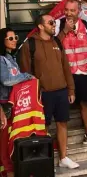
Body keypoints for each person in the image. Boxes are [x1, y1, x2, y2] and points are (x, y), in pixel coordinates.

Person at [19, 15, 79, 169]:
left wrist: (71, 89)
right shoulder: (30, 44)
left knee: (62, 122)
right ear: (40, 26)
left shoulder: (57, 41)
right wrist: (34, 95)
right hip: (42, 94)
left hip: (61, 91)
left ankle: (63, 157)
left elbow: (66, 67)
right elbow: (25, 72)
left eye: (55, 22)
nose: (54, 25)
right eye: (51, 23)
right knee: (42, 126)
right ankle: (43, 159)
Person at [56, 0, 87, 145]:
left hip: (84, 71)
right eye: (66, 10)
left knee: (85, 103)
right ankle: (61, 140)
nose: (68, 13)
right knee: (62, 105)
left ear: (79, 11)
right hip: (66, 72)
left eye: (72, 10)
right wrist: (65, 30)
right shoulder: (58, 24)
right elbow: (54, 45)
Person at [0, 28, 34, 177]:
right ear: (3, 41)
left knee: (11, 142)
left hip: (15, 106)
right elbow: (7, 80)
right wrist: (27, 76)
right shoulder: (1, 59)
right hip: (4, 107)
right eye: (11, 38)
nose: (15, 40)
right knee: (3, 144)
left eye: (15, 38)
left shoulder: (11, 59)